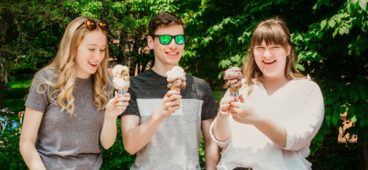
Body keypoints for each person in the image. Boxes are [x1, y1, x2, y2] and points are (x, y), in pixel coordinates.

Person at [211, 18, 325, 170]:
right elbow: (221, 140)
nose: (266, 55)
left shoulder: (307, 90)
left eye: (275, 47)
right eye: (260, 48)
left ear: (288, 49)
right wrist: (222, 116)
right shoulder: (242, 87)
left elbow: (296, 140)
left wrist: (257, 119)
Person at [19, 16, 130, 170]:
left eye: (102, 49)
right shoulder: (46, 81)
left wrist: (111, 116)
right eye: (91, 49)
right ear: (73, 47)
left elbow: (106, 143)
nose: (98, 57)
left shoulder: (106, 83)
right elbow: (26, 142)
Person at [120, 12, 220, 170]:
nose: (173, 45)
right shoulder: (133, 86)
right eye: (165, 39)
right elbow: (130, 145)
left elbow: (211, 142)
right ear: (150, 42)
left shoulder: (200, 87)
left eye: (179, 39)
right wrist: (159, 113)